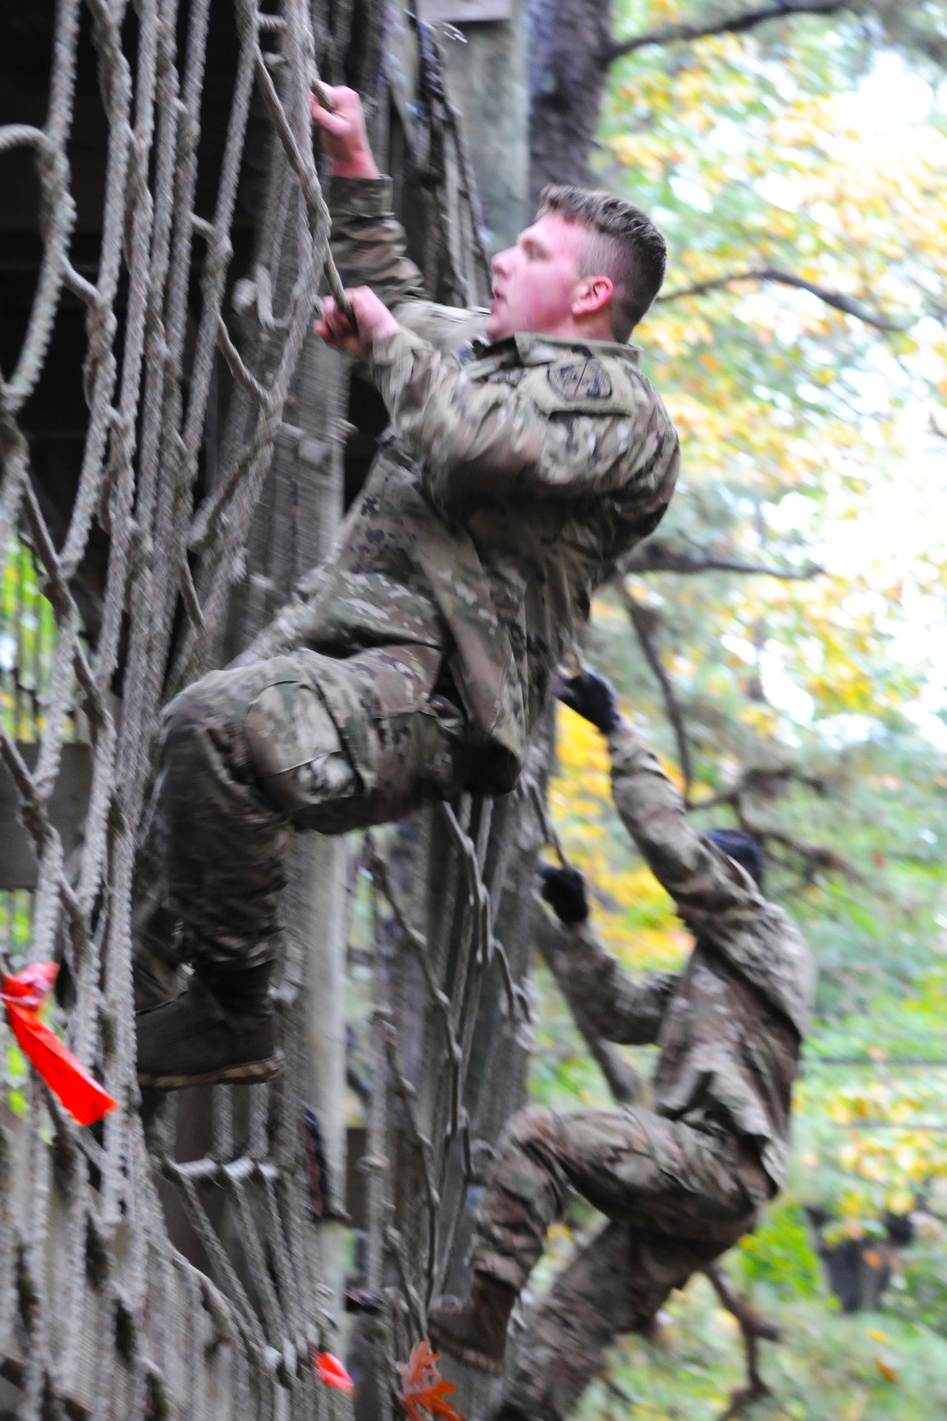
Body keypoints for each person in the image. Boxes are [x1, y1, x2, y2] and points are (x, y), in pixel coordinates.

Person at [134, 89, 680, 1089]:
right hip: (331, 650)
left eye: (532, 253)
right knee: (163, 827)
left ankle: (230, 1018)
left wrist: (385, 341)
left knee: (213, 727)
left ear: (592, 297)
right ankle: (110, 1054)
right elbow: (388, 286)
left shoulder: (622, 413)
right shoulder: (482, 345)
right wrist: (351, 158)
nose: (504, 262)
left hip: (432, 696)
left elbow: (476, 441)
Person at [428, 670, 816, 1421]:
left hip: (717, 1162)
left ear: (733, 884)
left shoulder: (765, 935)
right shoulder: (720, 970)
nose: (686, 909)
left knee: (538, 1138)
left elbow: (666, 840)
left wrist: (617, 731)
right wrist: (576, 925)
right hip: (718, 1189)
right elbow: (620, 1009)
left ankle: (482, 1316)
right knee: (570, 1324)